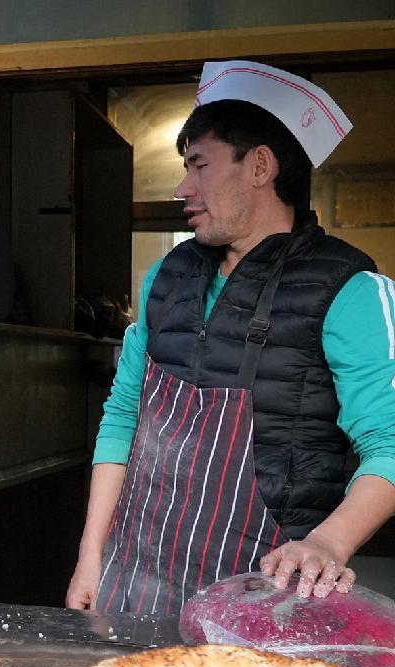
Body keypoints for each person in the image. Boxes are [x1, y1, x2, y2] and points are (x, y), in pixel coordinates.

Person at [66, 61, 395, 615]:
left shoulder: (350, 289)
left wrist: (328, 543)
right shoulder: (167, 277)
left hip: (264, 594)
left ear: (260, 165)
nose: (183, 188)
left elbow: (389, 443)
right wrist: (91, 557)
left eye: (199, 165)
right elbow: (124, 416)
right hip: (136, 578)